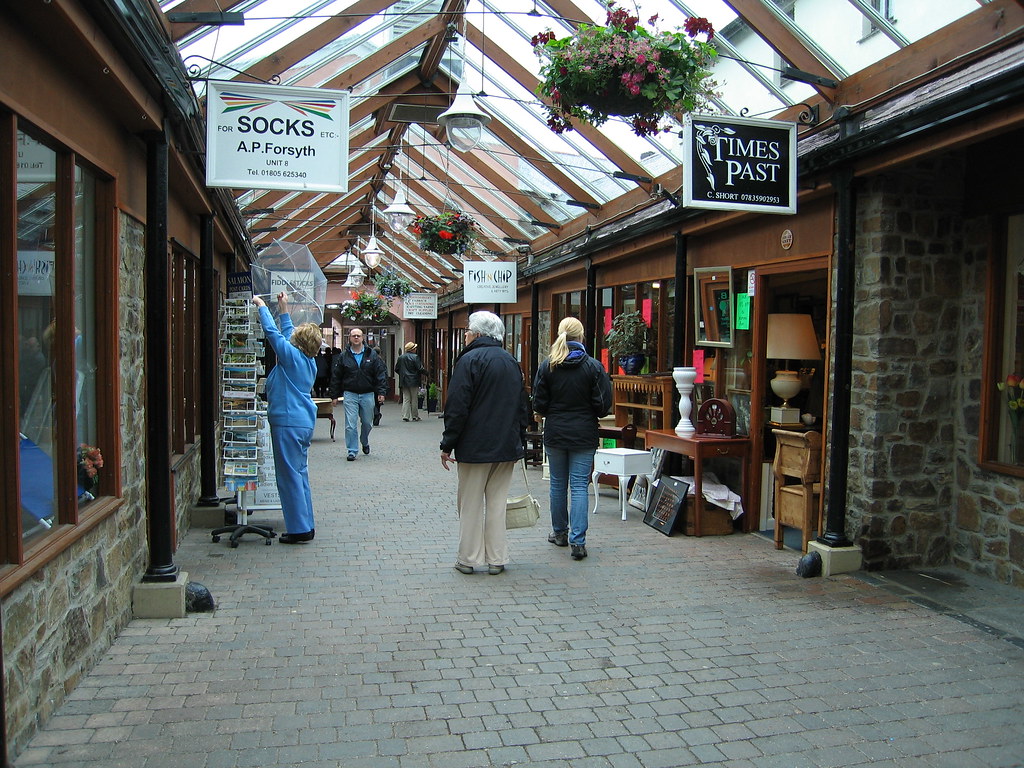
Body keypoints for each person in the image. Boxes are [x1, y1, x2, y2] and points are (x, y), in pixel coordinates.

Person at [440, 311, 529, 575]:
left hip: (474, 446)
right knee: (497, 503)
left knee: (470, 504)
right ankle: (497, 558)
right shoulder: (511, 362)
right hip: (505, 445)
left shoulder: (468, 361)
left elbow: (457, 406)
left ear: (478, 334)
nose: (465, 335)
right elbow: (521, 405)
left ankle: (468, 558)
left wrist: (448, 443)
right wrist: (519, 439)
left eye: (468, 331)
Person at [532, 317, 612, 561]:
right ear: (581, 336)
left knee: (557, 484)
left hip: (556, 432)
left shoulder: (548, 365)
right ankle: (578, 542)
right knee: (579, 486)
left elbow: (539, 403)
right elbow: (603, 406)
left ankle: (559, 533)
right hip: (584, 433)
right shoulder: (593, 367)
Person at [253, 293, 322, 544]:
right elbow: (286, 333)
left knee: (288, 476)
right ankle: (306, 524)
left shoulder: (291, 357)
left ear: (298, 343)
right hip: (302, 421)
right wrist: (283, 308)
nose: (291, 337)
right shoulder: (308, 360)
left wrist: (262, 307)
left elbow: (273, 335)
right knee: (299, 474)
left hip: (288, 421)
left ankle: (298, 529)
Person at [329, 327, 387, 461]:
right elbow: (336, 376)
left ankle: (364, 440)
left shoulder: (371, 355)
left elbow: (380, 374)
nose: (356, 338)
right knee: (350, 424)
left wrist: (381, 392)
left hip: (368, 394)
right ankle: (352, 450)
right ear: (349, 338)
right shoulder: (344, 356)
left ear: (362, 338)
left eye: (358, 336)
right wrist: (334, 396)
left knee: (367, 423)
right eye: (353, 335)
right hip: (350, 394)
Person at [394, 341, 426, 421]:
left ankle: (405, 415)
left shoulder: (401, 358)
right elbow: (420, 368)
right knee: (414, 398)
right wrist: (426, 373)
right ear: (412, 349)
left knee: (406, 398)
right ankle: (415, 416)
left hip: (404, 380)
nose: (416, 349)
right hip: (414, 380)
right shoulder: (415, 357)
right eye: (415, 348)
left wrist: (402, 374)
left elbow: (396, 369)